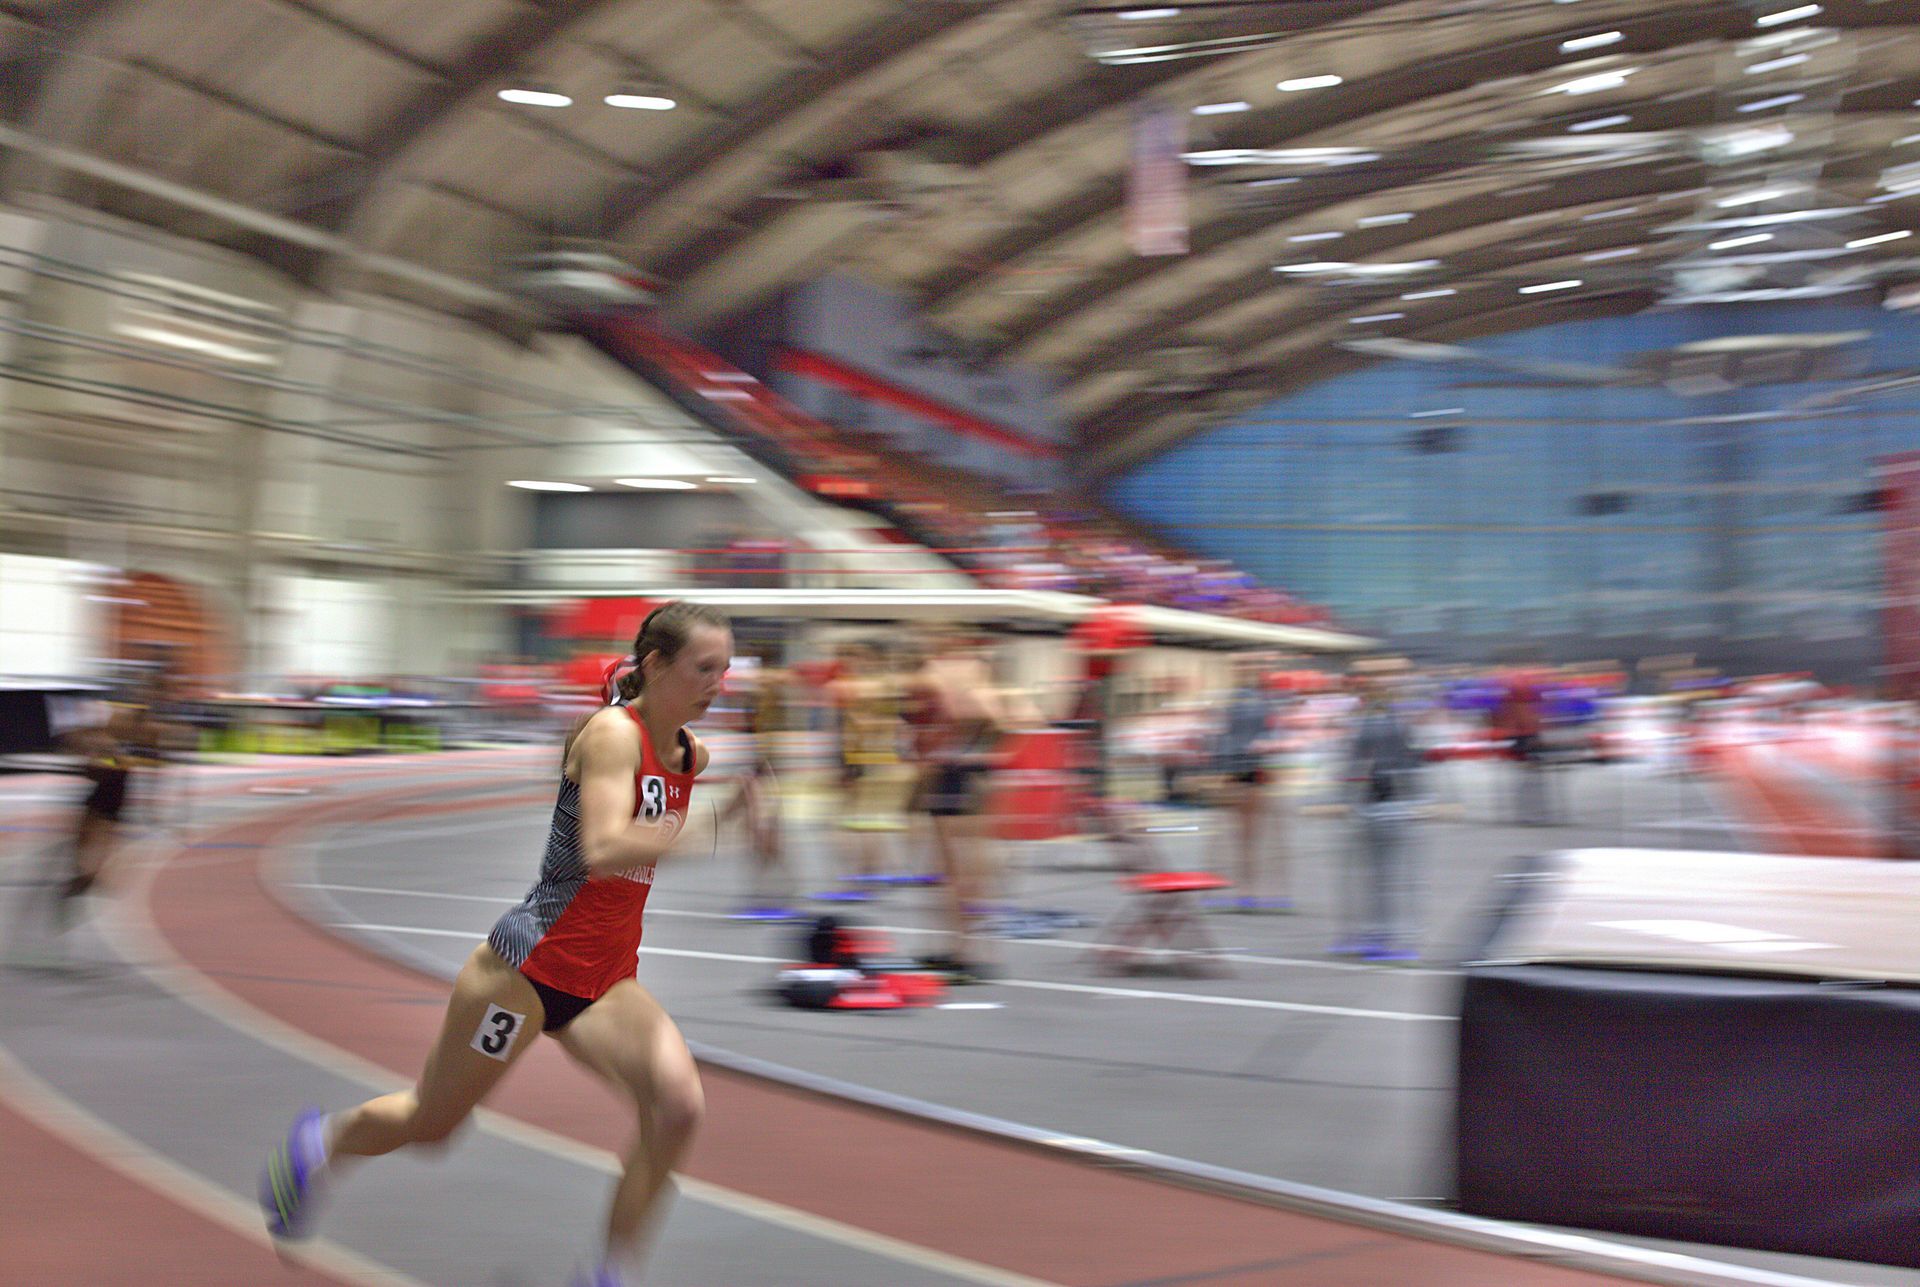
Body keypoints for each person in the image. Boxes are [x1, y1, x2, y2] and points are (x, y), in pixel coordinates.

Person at [259, 601, 731, 1287]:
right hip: (525, 972)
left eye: (725, 668)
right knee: (431, 1124)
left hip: (604, 979)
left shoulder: (692, 753)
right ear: (656, 665)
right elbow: (601, 847)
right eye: (705, 667)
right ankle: (319, 1142)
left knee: (679, 1107)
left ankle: (608, 1274)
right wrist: (713, 828)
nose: (719, 683)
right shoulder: (610, 735)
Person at [1337, 668, 1427, 963]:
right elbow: (1413, 765)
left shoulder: (1363, 727)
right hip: (1394, 806)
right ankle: (1391, 934)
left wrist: (1345, 801)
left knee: (1375, 877)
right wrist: (1418, 800)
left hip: (1372, 805)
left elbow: (1353, 767)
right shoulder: (1400, 726)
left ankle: (1375, 933)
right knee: (1392, 878)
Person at [1210, 653, 1291, 912]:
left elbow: (1273, 734)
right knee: (1241, 835)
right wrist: (1220, 768)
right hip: (1239, 770)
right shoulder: (1234, 700)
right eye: (1243, 666)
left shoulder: (1264, 701)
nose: (1248, 671)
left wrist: (1270, 756)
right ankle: (1247, 889)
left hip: (1256, 769)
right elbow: (1223, 734)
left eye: (1252, 666)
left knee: (1258, 834)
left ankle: (1261, 889)